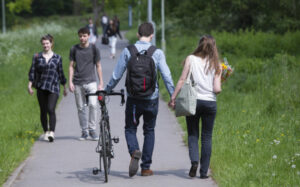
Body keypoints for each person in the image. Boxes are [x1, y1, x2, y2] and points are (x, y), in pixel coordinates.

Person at [105, 22, 175, 177]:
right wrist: (173, 95)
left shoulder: (128, 51)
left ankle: (134, 151)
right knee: (149, 130)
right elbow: (167, 76)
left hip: (134, 99)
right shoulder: (157, 52)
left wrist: (107, 90)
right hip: (152, 98)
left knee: (130, 128)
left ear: (137, 34)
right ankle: (145, 168)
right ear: (152, 35)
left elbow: (117, 74)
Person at [169, 35, 222, 179]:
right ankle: (204, 172)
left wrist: (173, 97)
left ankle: (194, 162)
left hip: (193, 101)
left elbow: (182, 79)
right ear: (214, 47)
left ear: (199, 45)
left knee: (193, 134)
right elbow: (217, 89)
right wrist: (221, 78)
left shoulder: (190, 59)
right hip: (210, 103)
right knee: (207, 137)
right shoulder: (217, 64)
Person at [28, 34, 67, 142]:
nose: (45, 45)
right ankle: (46, 131)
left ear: (51, 44)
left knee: (51, 109)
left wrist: (64, 86)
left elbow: (60, 73)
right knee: (43, 110)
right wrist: (30, 85)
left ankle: (52, 132)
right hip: (41, 86)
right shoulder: (37, 57)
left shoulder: (57, 57)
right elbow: (32, 71)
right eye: (44, 43)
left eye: (47, 43)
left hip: (53, 86)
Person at [69, 27, 104, 141]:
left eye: (84, 36)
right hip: (78, 82)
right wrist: (70, 81)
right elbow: (71, 66)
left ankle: (92, 129)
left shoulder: (94, 49)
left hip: (91, 81)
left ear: (88, 36)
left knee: (93, 105)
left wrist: (101, 82)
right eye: (80, 36)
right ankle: (84, 131)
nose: (82, 38)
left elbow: (98, 66)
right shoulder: (74, 49)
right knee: (81, 108)